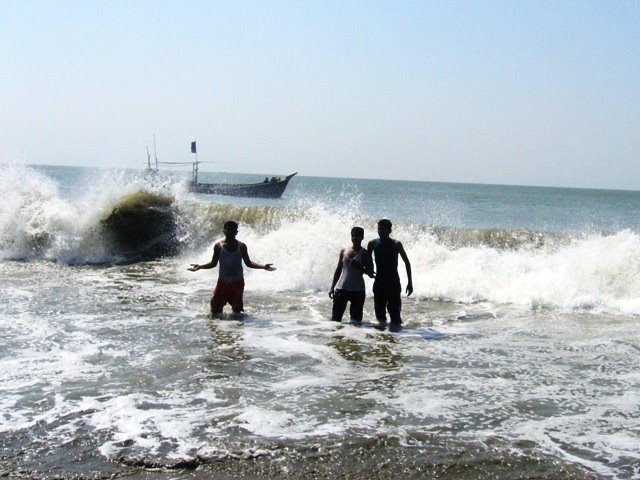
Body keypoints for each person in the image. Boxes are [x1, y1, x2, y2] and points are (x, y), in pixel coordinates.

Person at [188, 220, 276, 317]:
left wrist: (263, 266)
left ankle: (235, 330)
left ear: (236, 232)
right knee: (215, 311)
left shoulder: (241, 246)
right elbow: (213, 263)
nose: (230, 232)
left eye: (233, 230)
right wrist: (200, 266)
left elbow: (249, 263)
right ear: (224, 231)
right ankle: (216, 329)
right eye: (228, 229)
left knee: (237, 312)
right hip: (222, 282)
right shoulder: (218, 246)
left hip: (237, 282)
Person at [367, 219, 413, 331]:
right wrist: (369, 271)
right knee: (380, 316)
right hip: (379, 283)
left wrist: (410, 283)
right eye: (379, 229)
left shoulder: (396, 244)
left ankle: (394, 339)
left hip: (393, 284)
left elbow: (407, 262)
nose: (381, 231)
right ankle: (382, 341)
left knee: (395, 317)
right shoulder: (373, 244)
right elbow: (367, 260)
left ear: (389, 230)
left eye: (383, 229)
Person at [329, 227, 374, 324]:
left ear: (362, 237)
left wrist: (360, 267)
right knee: (335, 320)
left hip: (358, 291)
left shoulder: (365, 254)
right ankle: (337, 338)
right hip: (342, 289)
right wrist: (332, 287)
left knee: (356, 322)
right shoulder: (344, 251)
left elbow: (371, 274)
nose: (355, 238)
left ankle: (354, 339)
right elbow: (338, 270)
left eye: (357, 236)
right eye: (353, 236)